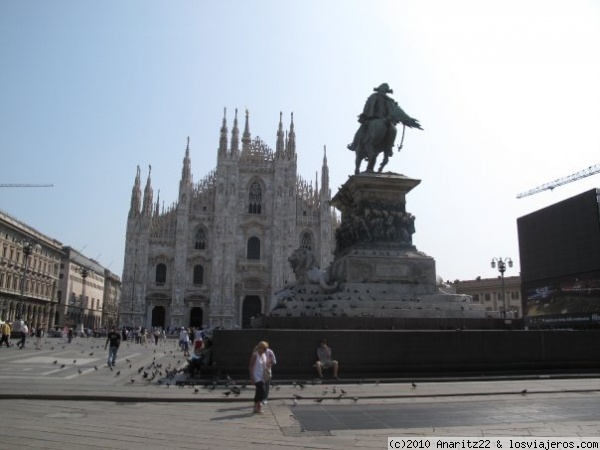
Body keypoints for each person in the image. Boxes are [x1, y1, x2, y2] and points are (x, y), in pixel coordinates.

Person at [249, 341, 269, 414]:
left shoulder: (263, 355)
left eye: (265, 349)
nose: (265, 350)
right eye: (264, 348)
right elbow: (251, 366)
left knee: (258, 391)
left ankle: (256, 407)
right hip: (256, 375)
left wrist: (267, 370)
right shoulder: (255, 355)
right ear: (260, 348)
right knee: (262, 390)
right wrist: (251, 377)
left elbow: (264, 365)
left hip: (262, 376)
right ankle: (259, 405)